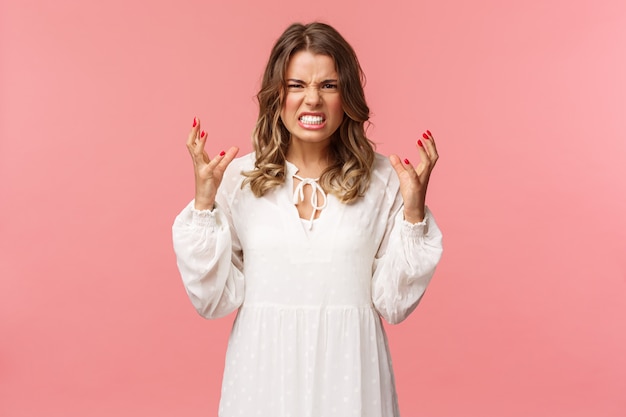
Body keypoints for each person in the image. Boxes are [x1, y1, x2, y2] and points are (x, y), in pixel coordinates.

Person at [173, 22, 443, 417]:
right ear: (276, 95)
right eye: (296, 85)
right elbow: (212, 300)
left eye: (329, 86)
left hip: (352, 380)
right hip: (262, 380)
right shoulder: (237, 179)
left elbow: (393, 303)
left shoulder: (386, 180)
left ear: (347, 96)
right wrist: (203, 203)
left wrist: (414, 211)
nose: (312, 100)